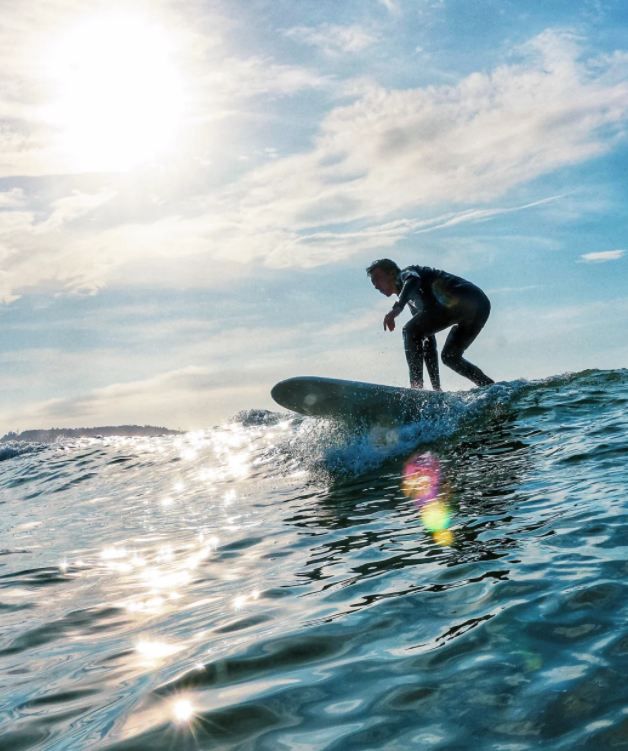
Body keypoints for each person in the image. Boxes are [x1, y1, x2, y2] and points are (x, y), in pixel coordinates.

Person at [367, 258, 494, 389]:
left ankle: (416, 387)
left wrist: (398, 308)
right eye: (372, 281)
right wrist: (436, 387)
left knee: (409, 330)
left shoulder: (406, 274)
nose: (375, 285)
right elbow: (428, 341)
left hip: (463, 296)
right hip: (480, 305)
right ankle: (489, 388)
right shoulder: (413, 300)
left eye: (377, 278)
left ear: (392, 273)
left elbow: (413, 279)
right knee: (450, 357)